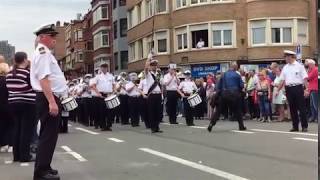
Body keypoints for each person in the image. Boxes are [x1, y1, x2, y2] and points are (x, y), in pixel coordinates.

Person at [31, 24, 67, 180]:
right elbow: (43, 79)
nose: (54, 39)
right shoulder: (43, 53)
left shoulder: (44, 53)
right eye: (52, 36)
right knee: (48, 136)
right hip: (48, 97)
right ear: (43, 37)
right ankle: (41, 172)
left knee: (48, 135)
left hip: (49, 97)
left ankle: (44, 166)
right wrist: (52, 102)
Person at [6, 52, 37, 162]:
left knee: (17, 129)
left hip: (13, 103)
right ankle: (25, 156)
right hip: (28, 103)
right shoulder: (27, 73)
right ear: (24, 60)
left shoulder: (9, 74)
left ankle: (16, 155)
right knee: (26, 130)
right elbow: (35, 87)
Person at [208, 63, 247, 132]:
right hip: (234, 96)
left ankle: (211, 124)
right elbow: (241, 86)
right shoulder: (237, 75)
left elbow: (218, 87)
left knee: (218, 111)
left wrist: (217, 94)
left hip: (224, 95)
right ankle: (241, 126)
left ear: (230, 67)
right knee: (238, 110)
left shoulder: (224, 75)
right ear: (235, 68)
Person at [277, 50, 309, 132]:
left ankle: (304, 126)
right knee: (292, 108)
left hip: (298, 88)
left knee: (302, 108)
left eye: (286, 57)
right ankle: (295, 126)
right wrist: (278, 90)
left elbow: (305, 78)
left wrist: (306, 89)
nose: (285, 58)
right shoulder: (285, 67)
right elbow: (282, 80)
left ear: (290, 57)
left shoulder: (299, 66)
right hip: (289, 89)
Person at [91, 63, 115, 131]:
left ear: (107, 68)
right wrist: (98, 93)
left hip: (109, 94)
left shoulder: (111, 76)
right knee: (102, 111)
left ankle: (109, 125)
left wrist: (114, 91)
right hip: (102, 95)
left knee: (110, 111)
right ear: (101, 68)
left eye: (105, 67)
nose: (104, 69)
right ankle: (103, 126)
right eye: (103, 67)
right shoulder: (98, 77)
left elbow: (114, 85)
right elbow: (93, 86)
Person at [144, 58, 163, 133]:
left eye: (155, 65)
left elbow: (162, 85)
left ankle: (157, 126)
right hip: (152, 95)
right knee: (152, 112)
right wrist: (148, 59)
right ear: (150, 66)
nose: (154, 67)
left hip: (158, 95)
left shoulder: (158, 75)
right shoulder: (148, 74)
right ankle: (153, 128)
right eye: (152, 65)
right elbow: (145, 68)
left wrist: (161, 95)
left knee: (159, 112)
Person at [0, 61, 13, 153]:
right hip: (8, 105)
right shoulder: (7, 80)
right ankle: (10, 144)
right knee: (11, 125)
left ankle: (3, 144)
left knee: (2, 125)